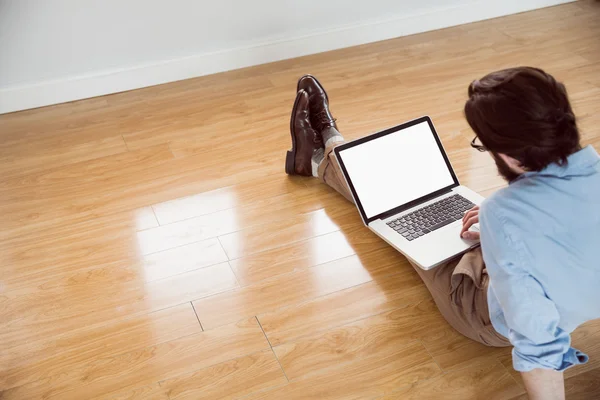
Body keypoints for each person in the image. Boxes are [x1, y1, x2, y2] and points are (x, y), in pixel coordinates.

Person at [285, 69, 600, 400]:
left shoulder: (505, 214)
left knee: (393, 205)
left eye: (484, 145)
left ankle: (326, 146)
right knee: (426, 201)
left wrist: (504, 225)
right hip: (534, 285)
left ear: (509, 155)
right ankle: (323, 152)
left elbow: (538, 346)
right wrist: (507, 230)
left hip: (484, 318)